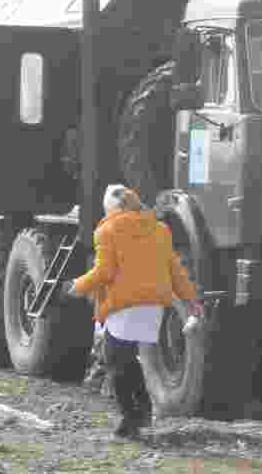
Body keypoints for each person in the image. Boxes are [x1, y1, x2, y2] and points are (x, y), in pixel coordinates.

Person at [64, 184, 203, 439]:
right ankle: (143, 412)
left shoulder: (107, 230)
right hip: (154, 307)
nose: (105, 213)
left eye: (106, 208)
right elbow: (176, 273)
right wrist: (192, 302)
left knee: (115, 360)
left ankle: (132, 418)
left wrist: (78, 286)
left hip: (123, 305)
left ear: (114, 208)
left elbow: (104, 272)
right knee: (126, 359)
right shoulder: (160, 229)